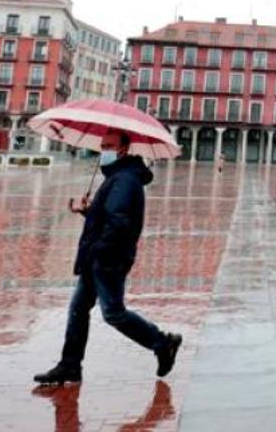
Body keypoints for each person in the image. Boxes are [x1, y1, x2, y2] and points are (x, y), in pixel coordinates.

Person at [34, 131, 182, 385]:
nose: (104, 150)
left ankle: (163, 342)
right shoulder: (118, 177)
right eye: (103, 145)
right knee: (79, 309)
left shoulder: (124, 179)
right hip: (100, 255)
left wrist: (100, 251)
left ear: (123, 149)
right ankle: (70, 365)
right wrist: (89, 212)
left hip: (108, 258)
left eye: (109, 146)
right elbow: (110, 216)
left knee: (113, 312)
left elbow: (118, 222)